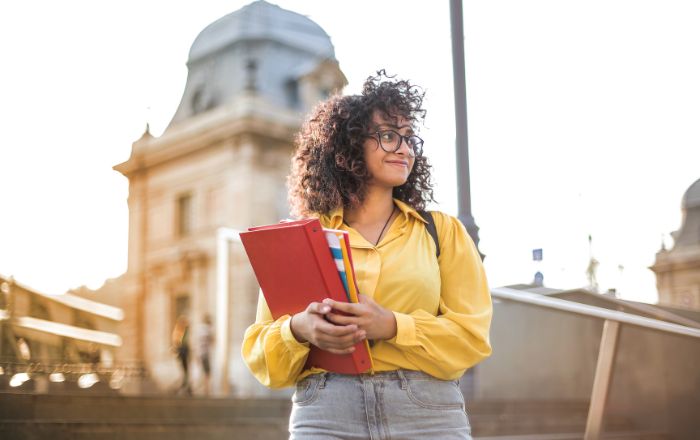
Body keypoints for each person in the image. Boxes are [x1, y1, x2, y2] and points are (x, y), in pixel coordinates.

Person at [242, 71, 492, 439]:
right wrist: (299, 329)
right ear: (349, 146)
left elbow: (472, 338)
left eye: (409, 138)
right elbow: (263, 357)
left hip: (427, 413)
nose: (405, 149)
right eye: (389, 136)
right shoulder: (302, 240)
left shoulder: (442, 232)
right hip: (326, 413)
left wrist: (392, 325)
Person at [171, 315, 191, 395]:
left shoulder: (183, 331)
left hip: (184, 351)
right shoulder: (179, 331)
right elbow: (177, 342)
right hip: (182, 351)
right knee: (184, 370)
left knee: (185, 370)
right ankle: (184, 385)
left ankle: (185, 385)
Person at [197, 314, 214, 395]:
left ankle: (205, 389)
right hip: (205, 354)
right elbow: (212, 340)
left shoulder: (200, 329)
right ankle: (206, 390)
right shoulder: (206, 329)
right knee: (207, 372)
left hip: (201, 353)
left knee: (204, 372)